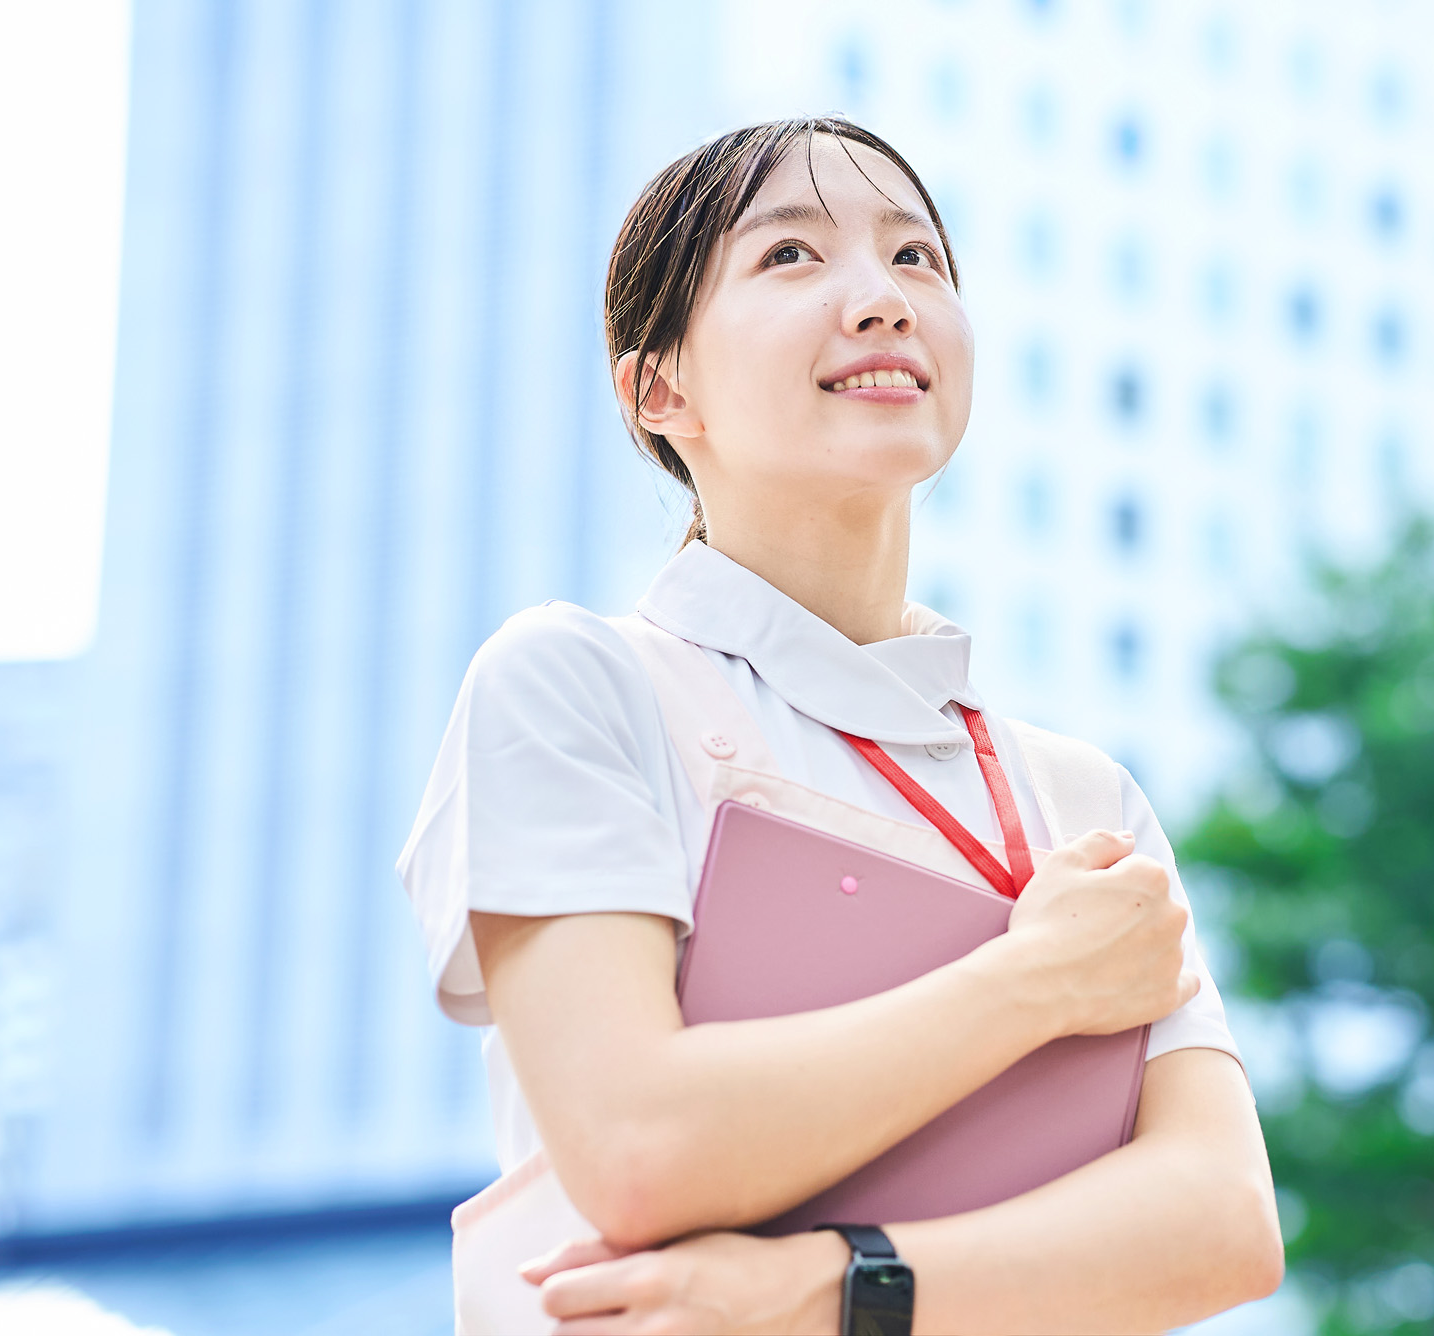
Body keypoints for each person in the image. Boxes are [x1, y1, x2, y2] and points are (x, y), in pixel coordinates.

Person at [398, 115, 1284, 1334]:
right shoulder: (576, 686)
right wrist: (1037, 979)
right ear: (660, 387)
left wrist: (828, 1289)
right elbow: (639, 1144)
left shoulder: (1082, 796)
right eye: (790, 257)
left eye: (916, 257)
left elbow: (1220, 1223)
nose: (881, 299)